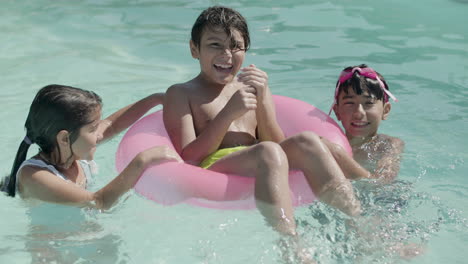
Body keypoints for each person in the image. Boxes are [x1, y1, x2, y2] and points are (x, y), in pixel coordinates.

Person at [163, 6, 361, 238]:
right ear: (194, 49)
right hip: (214, 166)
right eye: (215, 45)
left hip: (263, 157)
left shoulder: (251, 87)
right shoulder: (181, 93)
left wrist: (263, 97)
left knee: (308, 141)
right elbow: (190, 157)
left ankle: (358, 223)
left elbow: (276, 143)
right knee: (266, 151)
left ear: (246, 50)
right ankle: (291, 243)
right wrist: (228, 114)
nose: (227, 54)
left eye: (236, 46)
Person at [0, 84, 182, 209]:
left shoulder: (75, 148)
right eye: (93, 128)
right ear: (64, 138)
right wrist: (141, 161)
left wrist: (157, 99)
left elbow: (112, 124)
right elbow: (98, 202)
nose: (99, 133)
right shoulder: (35, 176)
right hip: (50, 247)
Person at [325, 64, 404, 183]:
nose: (359, 113)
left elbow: (382, 182)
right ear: (337, 111)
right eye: (350, 103)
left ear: (385, 110)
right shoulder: (327, 142)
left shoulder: (388, 145)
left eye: (369, 103)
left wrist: (339, 156)